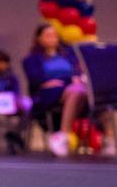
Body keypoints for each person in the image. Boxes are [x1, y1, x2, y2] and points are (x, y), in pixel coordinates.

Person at [22, 23, 88, 157]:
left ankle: (107, 138)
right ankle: (63, 135)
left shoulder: (69, 56)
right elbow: (34, 79)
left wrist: (74, 79)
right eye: (48, 35)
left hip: (69, 89)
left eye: (54, 35)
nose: (52, 38)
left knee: (83, 91)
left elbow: (76, 73)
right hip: (47, 93)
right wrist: (46, 81)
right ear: (39, 38)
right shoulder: (31, 59)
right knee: (77, 91)